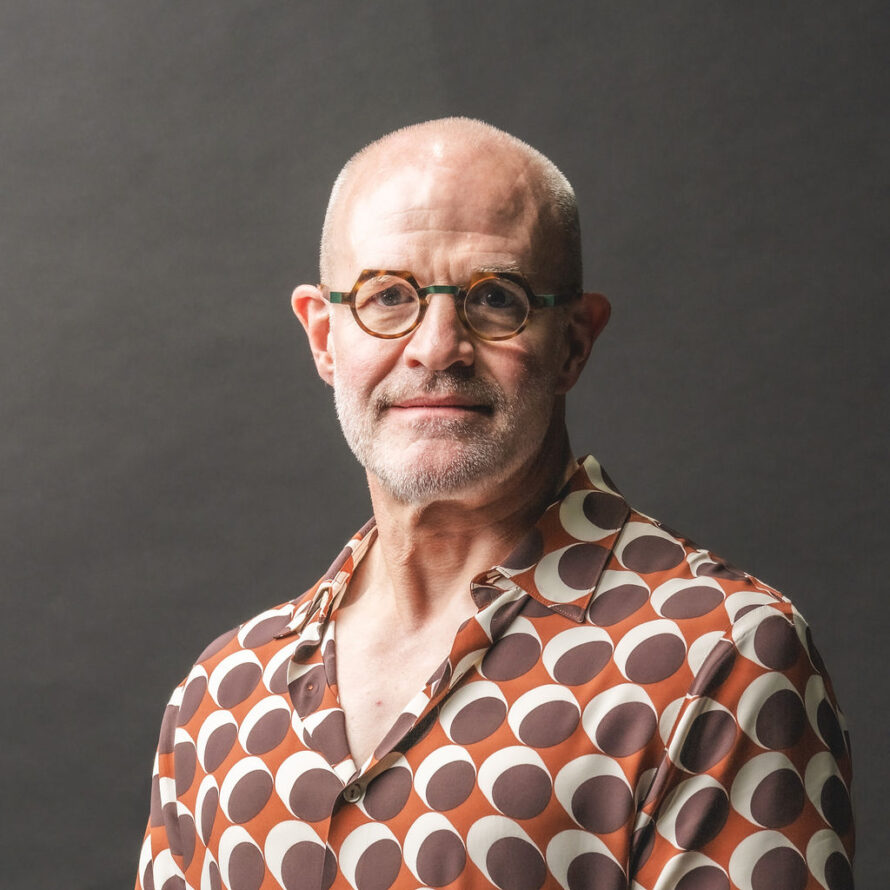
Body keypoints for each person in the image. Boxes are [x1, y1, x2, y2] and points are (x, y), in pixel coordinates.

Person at [135, 118, 854, 890]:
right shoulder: (223, 695)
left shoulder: (719, 658)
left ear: (575, 341)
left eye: (495, 299)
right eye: (387, 297)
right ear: (323, 336)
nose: (436, 346)